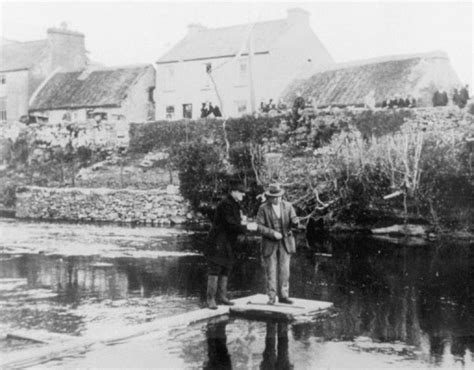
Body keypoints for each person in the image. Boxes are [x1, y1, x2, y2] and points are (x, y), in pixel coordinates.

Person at [205, 180, 256, 309]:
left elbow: (235, 222)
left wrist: (243, 224)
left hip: (227, 241)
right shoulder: (226, 204)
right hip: (217, 241)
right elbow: (230, 224)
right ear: (233, 192)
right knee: (215, 269)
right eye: (241, 192)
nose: (243, 195)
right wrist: (246, 228)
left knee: (226, 267)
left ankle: (222, 297)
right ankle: (210, 299)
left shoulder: (234, 204)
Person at [256, 183, 300, 305]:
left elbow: (294, 222)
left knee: (285, 270)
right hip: (270, 243)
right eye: (273, 197)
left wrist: (295, 222)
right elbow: (259, 226)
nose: (276, 199)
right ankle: (271, 297)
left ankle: (284, 296)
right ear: (269, 197)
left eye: (278, 196)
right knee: (271, 271)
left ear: (281, 196)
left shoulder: (288, 206)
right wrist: (272, 233)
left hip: (286, 242)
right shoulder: (263, 208)